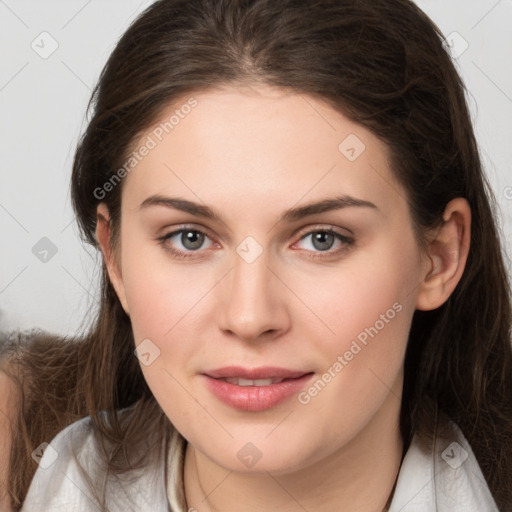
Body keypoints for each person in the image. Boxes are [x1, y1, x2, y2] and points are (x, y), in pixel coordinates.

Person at [10, 0, 512, 510]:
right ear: (114, 257)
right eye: (189, 238)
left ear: (439, 257)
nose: (249, 317)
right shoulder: (15, 444)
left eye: (323, 239)